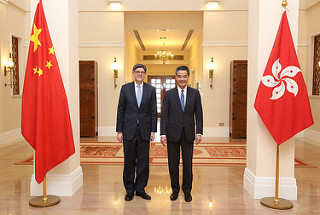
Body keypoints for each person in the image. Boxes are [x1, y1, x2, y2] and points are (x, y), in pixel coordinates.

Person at [160, 65, 203, 202]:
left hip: (189, 134)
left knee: (188, 163)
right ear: (176, 77)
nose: (182, 79)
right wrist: (163, 133)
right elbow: (164, 115)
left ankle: (187, 190)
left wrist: (199, 132)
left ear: (188, 77)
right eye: (179, 76)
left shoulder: (195, 93)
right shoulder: (169, 94)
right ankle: (175, 190)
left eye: (184, 76)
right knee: (173, 164)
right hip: (172, 133)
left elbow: (199, 114)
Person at [116, 64, 157, 201]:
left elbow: (153, 111)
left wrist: (153, 130)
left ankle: (140, 189)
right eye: (137, 72)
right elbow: (120, 109)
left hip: (144, 131)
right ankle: (129, 190)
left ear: (145, 74)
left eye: (142, 72)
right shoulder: (125, 88)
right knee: (129, 161)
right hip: (129, 130)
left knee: (143, 162)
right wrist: (119, 130)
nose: (140, 74)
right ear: (133, 73)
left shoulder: (151, 89)